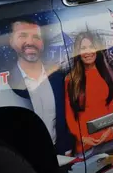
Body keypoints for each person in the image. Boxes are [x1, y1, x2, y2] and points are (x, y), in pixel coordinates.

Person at [7, 18, 73, 155]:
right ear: (11, 41)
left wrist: (66, 148)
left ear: (42, 43)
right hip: (26, 159)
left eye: (36, 37)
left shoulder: (57, 77)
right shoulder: (5, 83)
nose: (30, 42)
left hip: (59, 154)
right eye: (23, 35)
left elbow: (65, 117)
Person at [65, 32, 113, 153]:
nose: (88, 52)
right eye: (83, 48)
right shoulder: (70, 79)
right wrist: (82, 138)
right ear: (78, 52)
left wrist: (109, 129)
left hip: (108, 138)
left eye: (91, 47)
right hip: (85, 143)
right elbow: (69, 115)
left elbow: (111, 104)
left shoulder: (106, 73)